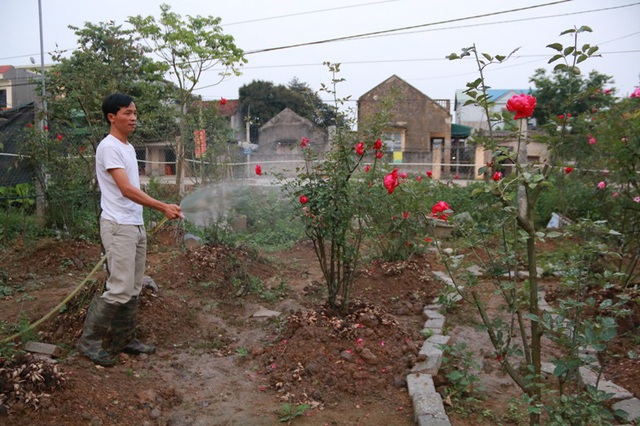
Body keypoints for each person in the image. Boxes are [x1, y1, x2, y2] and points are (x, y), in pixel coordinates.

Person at [77, 93, 183, 366]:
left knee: (134, 287)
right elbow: (125, 189)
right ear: (112, 117)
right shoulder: (109, 147)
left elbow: (131, 189)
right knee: (119, 288)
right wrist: (162, 207)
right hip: (117, 226)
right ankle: (88, 343)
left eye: (134, 112)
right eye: (127, 113)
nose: (133, 117)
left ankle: (124, 340)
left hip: (134, 224)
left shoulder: (127, 147)